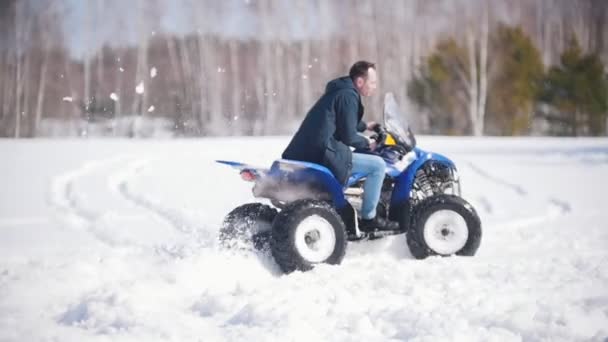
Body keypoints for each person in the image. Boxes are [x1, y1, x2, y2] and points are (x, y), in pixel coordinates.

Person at [282, 61, 399, 231]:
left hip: (306, 151)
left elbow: (343, 121)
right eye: (372, 82)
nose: (375, 87)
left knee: (358, 158)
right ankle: (369, 219)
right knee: (378, 166)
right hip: (323, 153)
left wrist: (366, 126)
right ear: (360, 82)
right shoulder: (348, 96)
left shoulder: (339, 91)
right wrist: (368, 143)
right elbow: (349, 136)